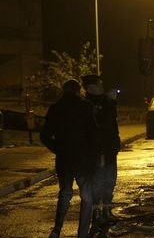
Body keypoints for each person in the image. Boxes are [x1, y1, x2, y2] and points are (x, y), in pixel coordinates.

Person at [40, 79, 98, 238]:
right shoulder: (85, 107)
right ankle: (82, 233)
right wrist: (94, 156)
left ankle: (57, 229)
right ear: (78, 91)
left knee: (65, 193)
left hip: (64, 159)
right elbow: (93, 135)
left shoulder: (55, 108)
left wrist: (58, 149)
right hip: (83, 160)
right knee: (86, 197)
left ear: (64, 91)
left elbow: (44, 135)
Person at [81, 75, 121, 230]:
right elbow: (104, 122)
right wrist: (110, 102)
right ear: (90, 87)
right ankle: (97, 214)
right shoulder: (89, 104)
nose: (102, 87)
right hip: (99, 150)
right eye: (99, 85)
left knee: (110, 181)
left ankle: (107, 211)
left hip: (109, 149)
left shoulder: (103, 101)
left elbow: (111, 122)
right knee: (99, 183)